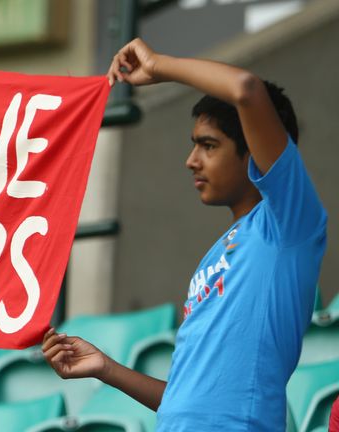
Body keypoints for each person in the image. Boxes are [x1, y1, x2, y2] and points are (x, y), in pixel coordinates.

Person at [42, 38, 326, 431]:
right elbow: (189, 401)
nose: (191, 161)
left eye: (208, 146)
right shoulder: (219, 253)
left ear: (254, 152)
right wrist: (105, 368)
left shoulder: (288, 225)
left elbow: (247, 90)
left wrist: (160, 66)